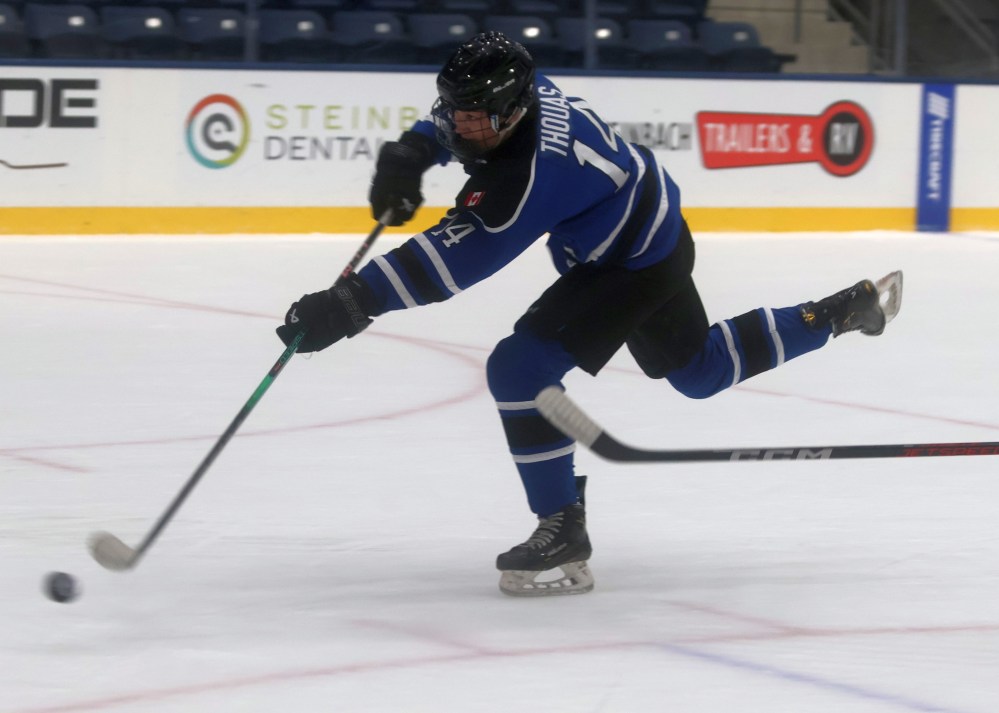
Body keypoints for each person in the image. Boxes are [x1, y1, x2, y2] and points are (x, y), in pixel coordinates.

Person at [277, 31, 902, 597]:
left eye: (474, 120)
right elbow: (452, 120)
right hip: (649, 233)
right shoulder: (527, 92)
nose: (460, 129)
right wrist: (412, 152)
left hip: (630, 263)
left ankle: (561, 523)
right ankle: (837, 314)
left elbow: (447, 264)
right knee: (700, 372)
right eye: (456, 115)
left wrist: (349, 304)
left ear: (512, 111)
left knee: (518, 369)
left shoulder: (528, 178)